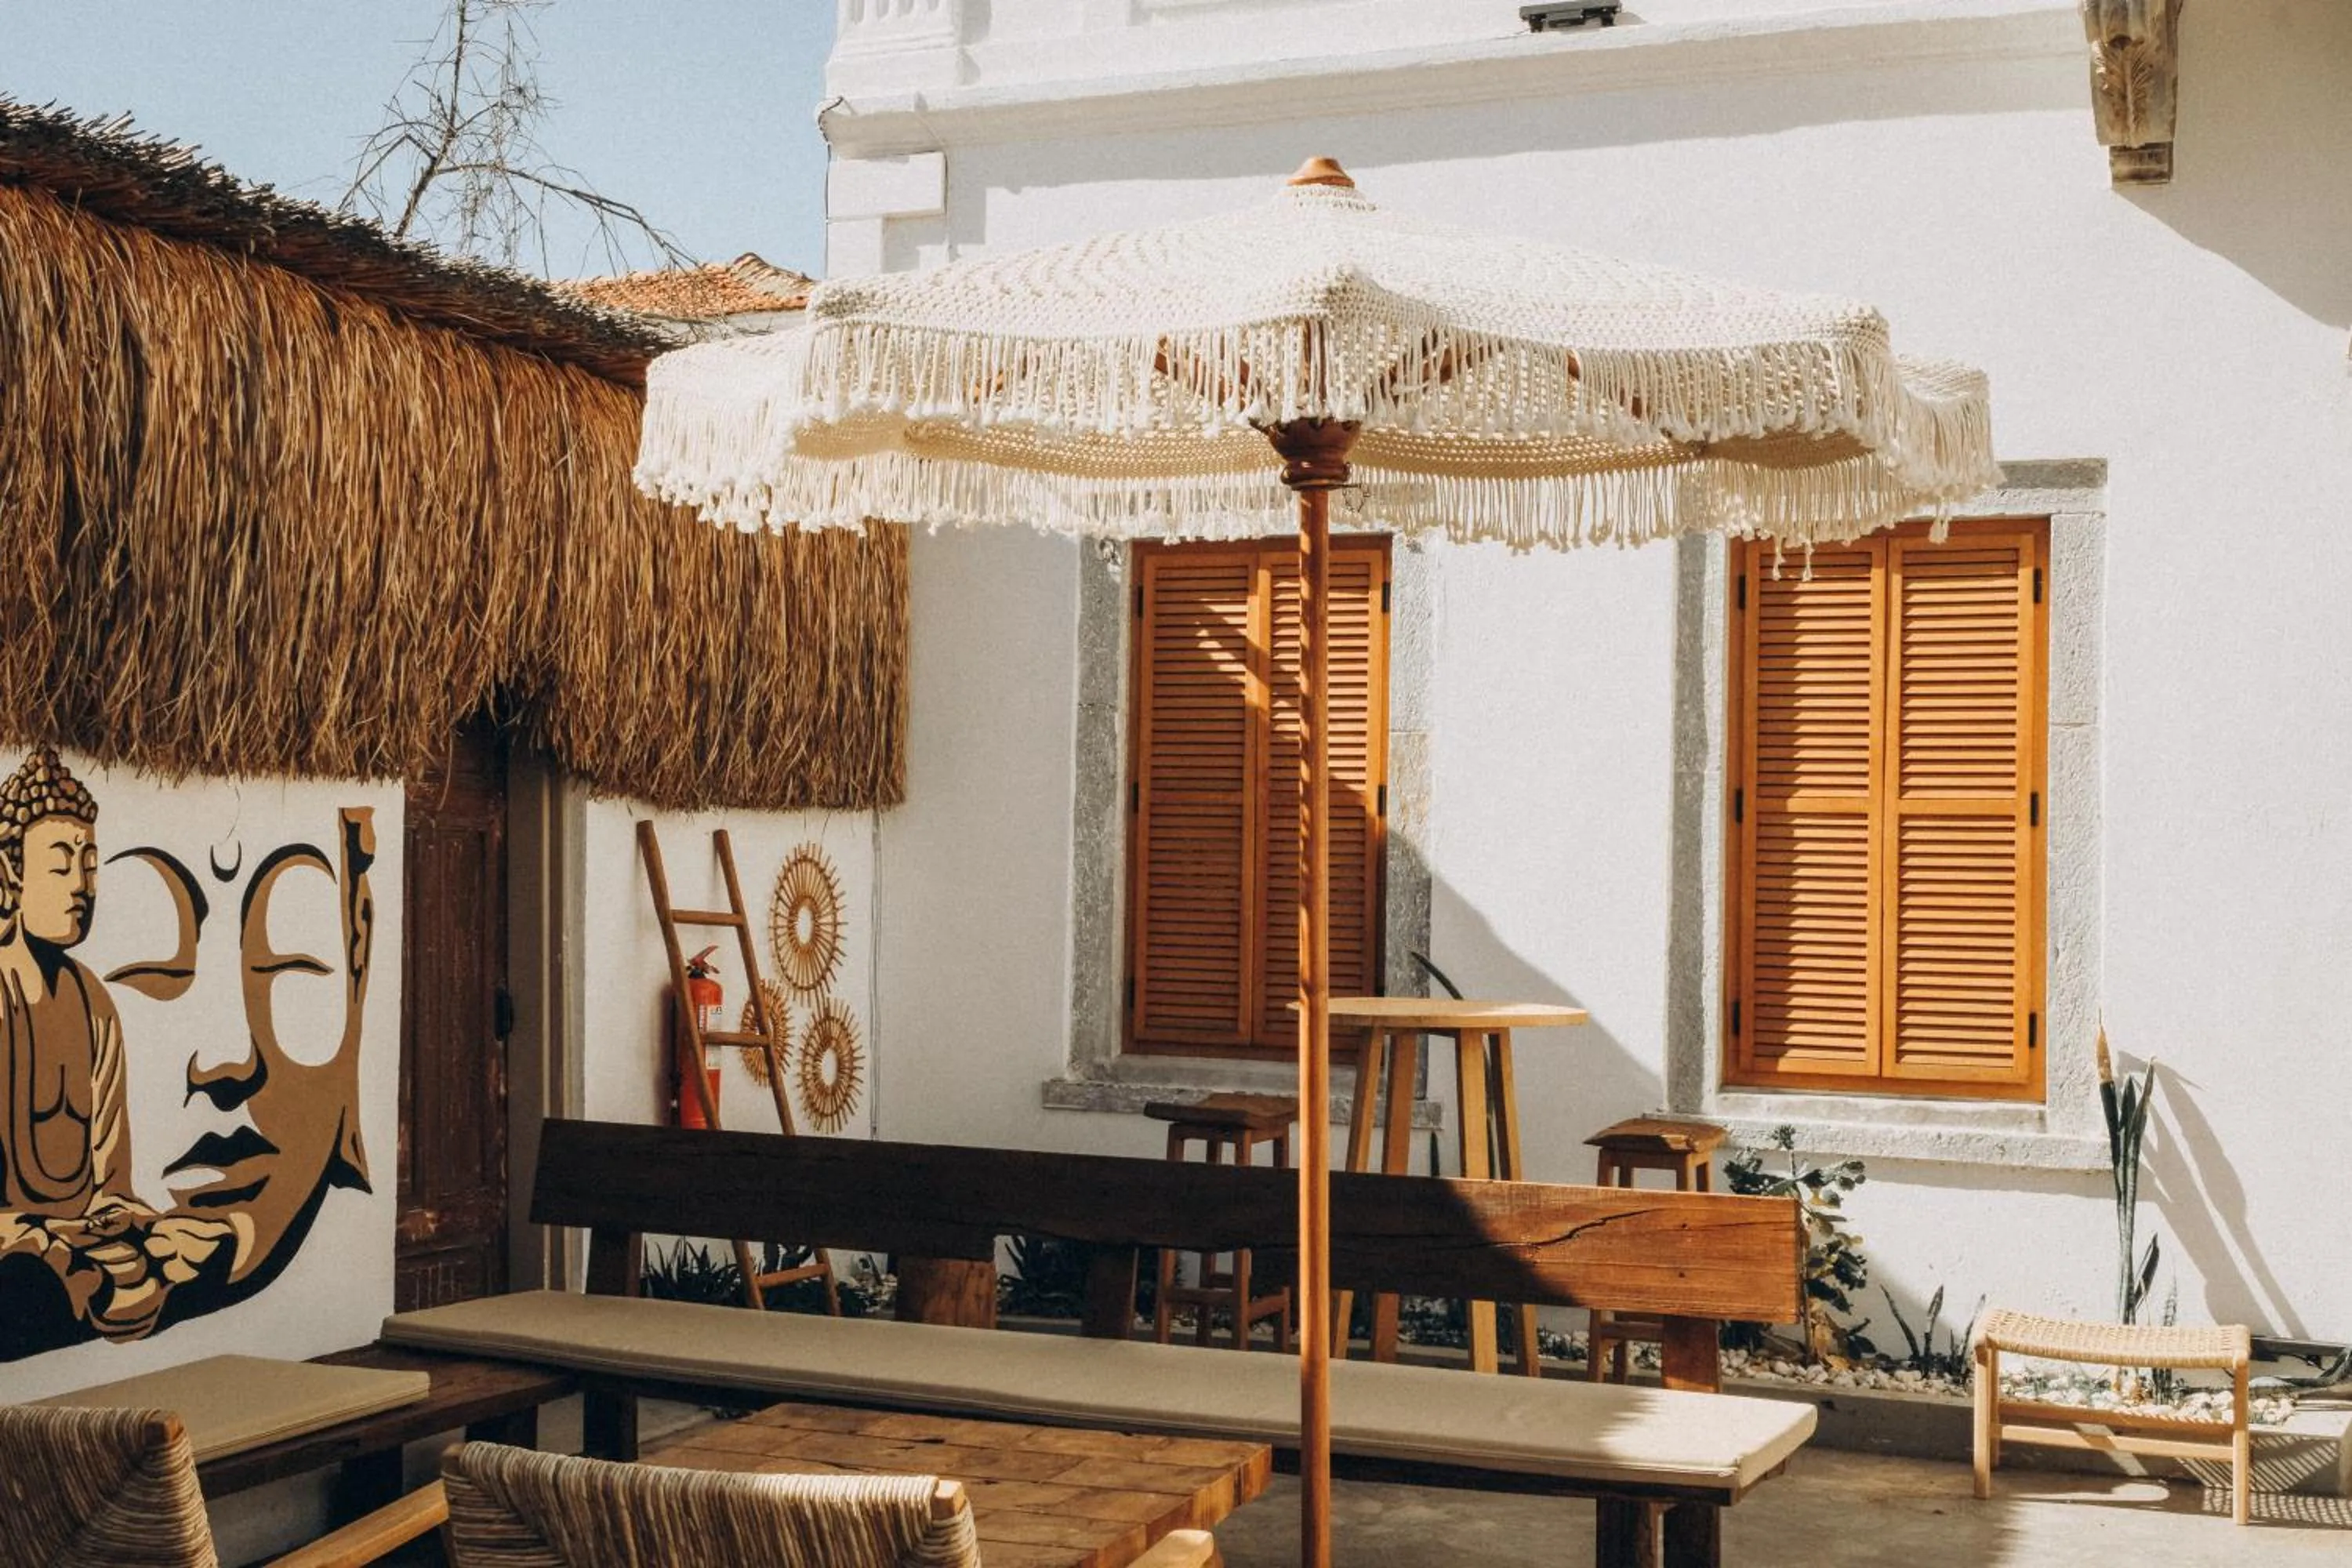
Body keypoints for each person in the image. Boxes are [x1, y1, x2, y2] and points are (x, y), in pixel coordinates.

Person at [0, 750, 230, 1357]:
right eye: (61, 866)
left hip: (83, 1240)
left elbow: (113, 1180)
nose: (83, 886)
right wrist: (51, 1238)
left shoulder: (91, 1000)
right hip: (22, 1248)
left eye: (92, 865)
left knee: (205, 1245)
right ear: (11, 870)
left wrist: (118, 1216)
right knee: (31, 1282)